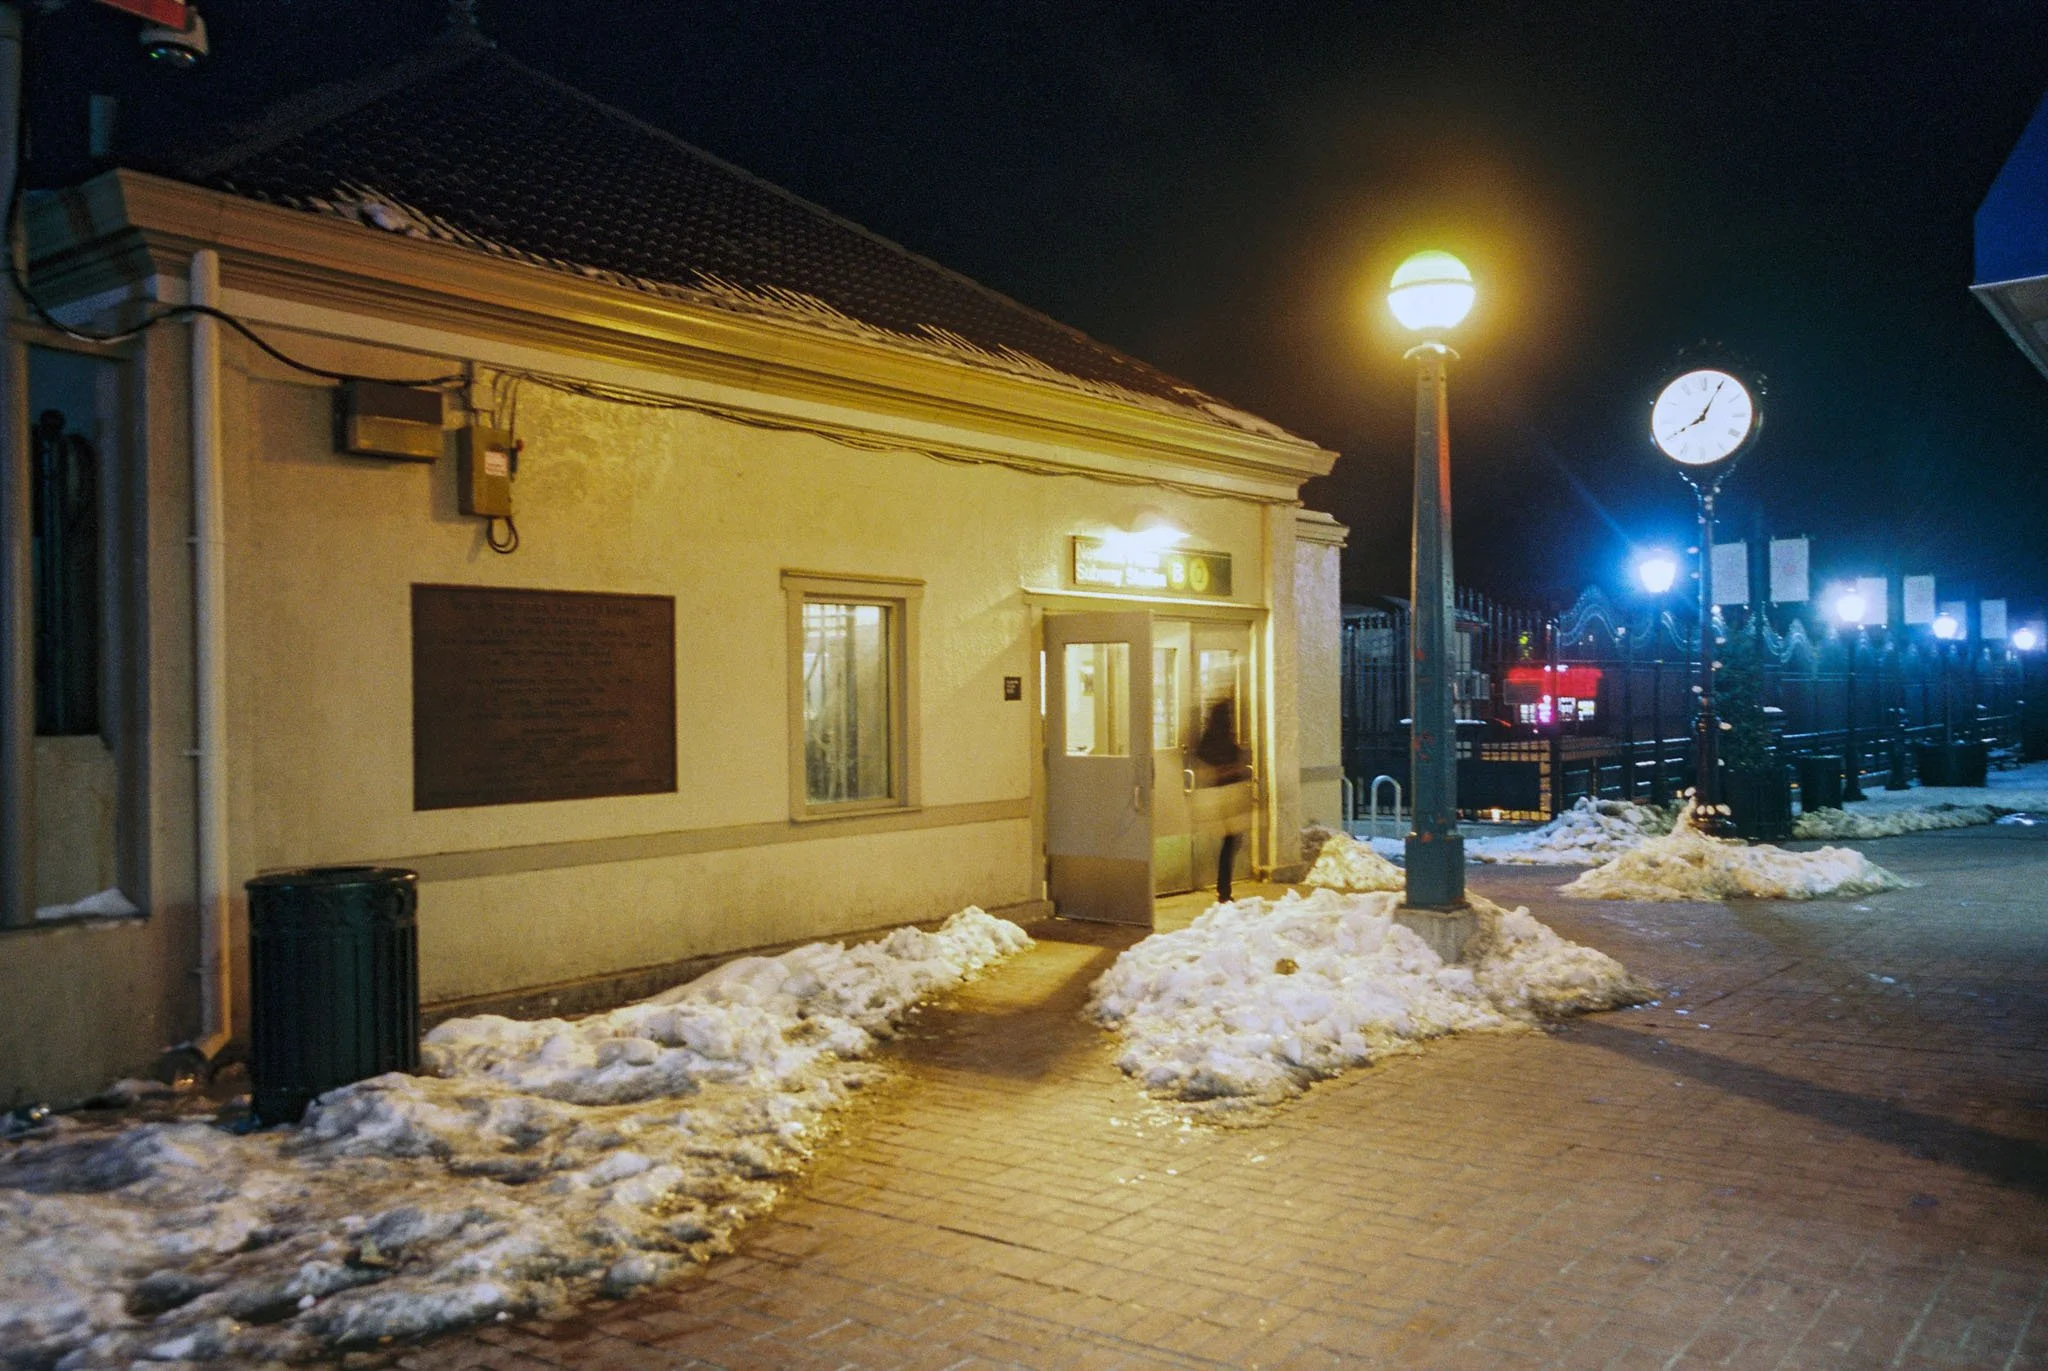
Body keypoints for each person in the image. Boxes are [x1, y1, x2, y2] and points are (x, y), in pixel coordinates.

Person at [1190, 695, 1253, 901]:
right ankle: (1223, 890)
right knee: (1231, 843)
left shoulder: (1211, 737)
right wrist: (1232, 769)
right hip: (1227, 796)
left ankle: (1223, 889)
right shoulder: (1221, 738)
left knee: (1230, 842)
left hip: (1223, 795)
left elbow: (1202, 759)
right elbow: (1219, 766)